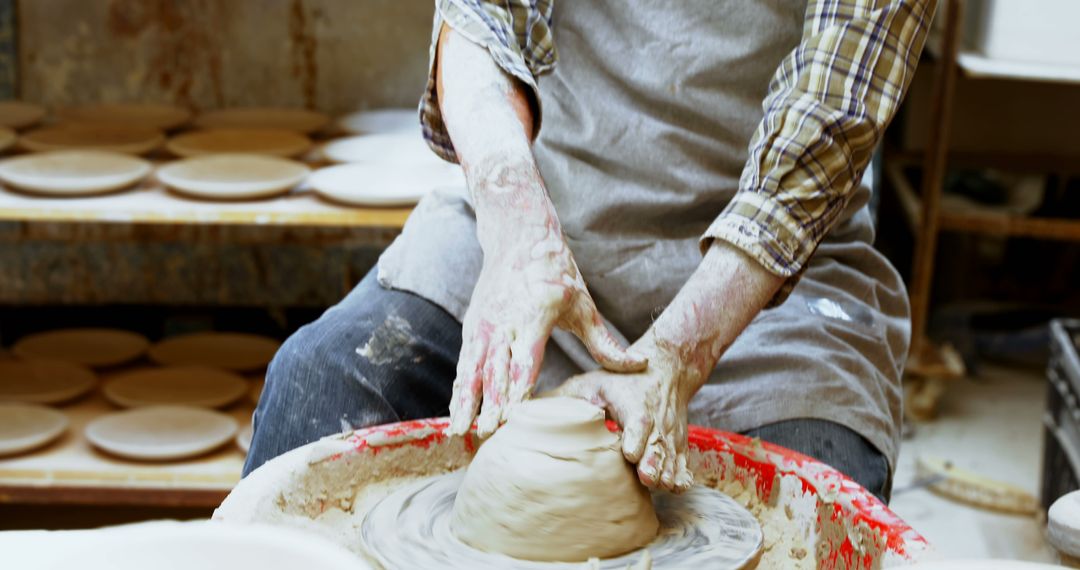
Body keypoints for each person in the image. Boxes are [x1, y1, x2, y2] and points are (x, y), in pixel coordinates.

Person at [244, 0, 935, 502]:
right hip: (538, 204)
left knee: (816, 497)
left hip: (764, 279)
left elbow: (829, 118)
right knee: (321, 388)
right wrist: (519, 232)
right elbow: (480, 22)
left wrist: (678, 353)